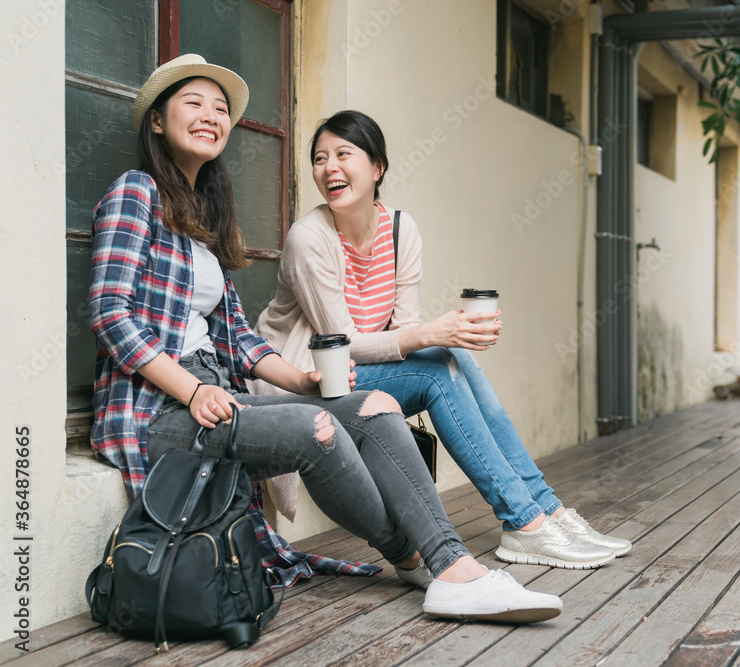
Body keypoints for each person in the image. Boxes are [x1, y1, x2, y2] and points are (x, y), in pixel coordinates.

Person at [88, 54, 562, 624]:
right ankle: (427, 558)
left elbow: (237, 338)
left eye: (221, 108)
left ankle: (445, 563)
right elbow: (111, 315)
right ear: (158, 122)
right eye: (194, 103)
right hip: (158, 411)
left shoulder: (203, 220)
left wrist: (303, 379)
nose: (211, 115)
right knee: (318, 428)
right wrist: (191, 391)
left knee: (377, 404)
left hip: (219, 398)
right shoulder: (134, 193)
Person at [253, 110, 630, 570]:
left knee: (449, 356)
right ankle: (523, 521)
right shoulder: (308, 238)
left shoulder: (400, 228)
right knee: (437, 362)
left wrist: (449, 334)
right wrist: (432, 333)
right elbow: (342, 343)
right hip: (306, 379)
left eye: (343, 154)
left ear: (377, 168)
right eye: (319, 158)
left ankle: (545, 509)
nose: (329, 167)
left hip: (360, 372)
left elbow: (402, 329)